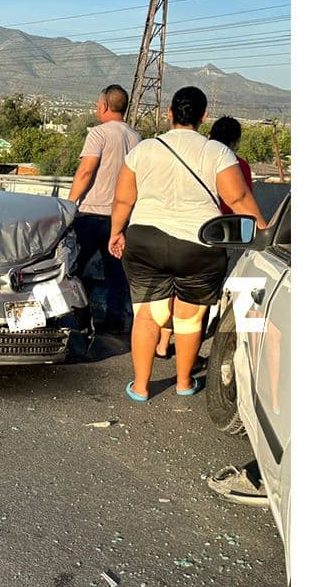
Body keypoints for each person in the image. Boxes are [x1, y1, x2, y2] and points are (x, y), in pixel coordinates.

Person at [108, 86, 267, 402]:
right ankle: (183, 382)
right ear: (204, 116)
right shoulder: (218, 152)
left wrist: (116, 232)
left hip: (146, 240)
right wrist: (264, 231)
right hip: (199, 245)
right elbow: (237, 197)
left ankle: (141, 386)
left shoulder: (144, 150)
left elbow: (124, 198)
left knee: (147, 316)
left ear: (169, 113)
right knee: (190, 318)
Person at [153, 115, 255, 357]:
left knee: (173, 290)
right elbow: (242, 201)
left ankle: (162, 343)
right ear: (236, 141)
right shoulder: (238, 164)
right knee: (201, 299)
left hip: (183, 230)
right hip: (221, 235)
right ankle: (192, 352)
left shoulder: (198, 157)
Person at [66, 84, 141, 334]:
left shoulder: (98, 134)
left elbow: (87, 170)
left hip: (90, 213)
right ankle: (115, 318)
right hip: (120, 217)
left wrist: (70, 202)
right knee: (116, 270)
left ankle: (71, 316)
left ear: (105, 106)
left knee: (72, 266)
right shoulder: (136, 138)